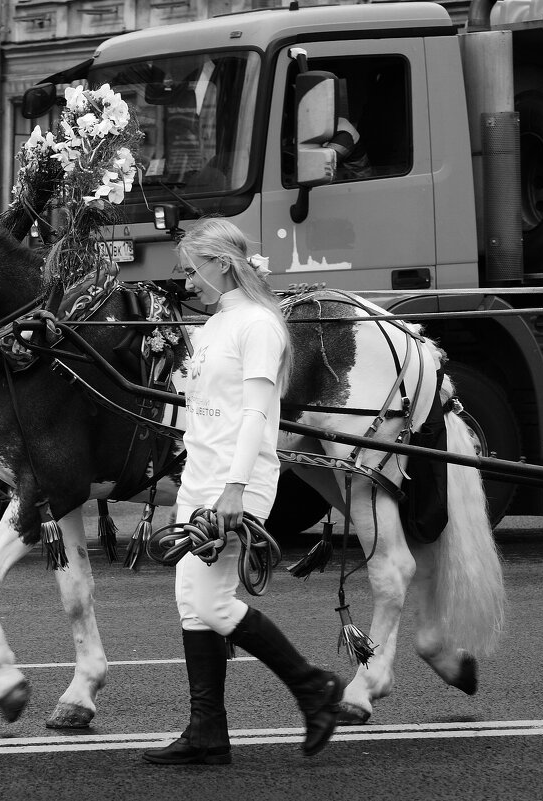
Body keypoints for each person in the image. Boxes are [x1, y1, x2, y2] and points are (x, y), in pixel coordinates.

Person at [142, 219, 341, 766]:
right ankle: (208, 733)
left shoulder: (258, 325)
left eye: (192, 269)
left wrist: (233, 489)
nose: (187, 281)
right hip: (201, 479)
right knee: (192, 603)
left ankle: (313, 687)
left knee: (212, 599)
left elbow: (257, 412)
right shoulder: (213, 327)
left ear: (222, 264)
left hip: (237, 483)